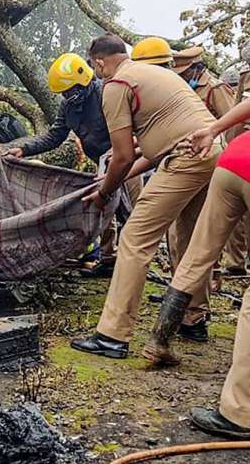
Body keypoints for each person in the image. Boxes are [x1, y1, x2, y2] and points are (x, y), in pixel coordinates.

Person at [70, 34, 221, 359]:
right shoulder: (156, 75)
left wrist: (104, 192)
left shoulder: (116, 85)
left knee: (135, 238)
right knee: (189, 237)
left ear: (98, 62)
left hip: (186, 156)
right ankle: (192, 319)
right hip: (211, 152)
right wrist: (106, 183)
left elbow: (122, 156)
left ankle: (112, 335)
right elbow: (151, 151)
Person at [146, 98, 250, 438]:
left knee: (197, 254)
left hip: (233, 159)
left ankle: (160, 338)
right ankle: (240, 411)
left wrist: (212, 130)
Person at [4, 53, 143, 277]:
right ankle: (109, 259)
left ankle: (135, 263)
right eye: (65, 93)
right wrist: (25, 149)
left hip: (127, 158)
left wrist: (124, 151)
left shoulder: (106, 93)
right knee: (105, 208)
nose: (68, 96)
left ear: (83, 80)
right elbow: (55, 136)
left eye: (71, 90)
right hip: (99, 163)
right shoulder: (68, 107)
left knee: (134, 211)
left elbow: (133, 126)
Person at [174, 46, 250, 276]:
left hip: (222, 156)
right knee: (201, 233)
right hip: (219, 158)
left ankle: (228, 270)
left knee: (224, 226)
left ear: (197, 69)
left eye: (186, 73)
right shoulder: (182, 90)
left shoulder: (215, 88)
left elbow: (234, 119)